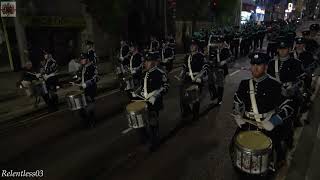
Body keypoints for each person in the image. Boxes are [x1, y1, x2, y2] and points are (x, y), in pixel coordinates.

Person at [232, 52, 295, 169]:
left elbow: (289, 105)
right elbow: (237, 100)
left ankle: (277, 162)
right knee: (232, 148)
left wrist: (274, 121)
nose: (255, 68)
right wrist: (237, 114)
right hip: (247, 123)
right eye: (253, 64)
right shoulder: (244, 84)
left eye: (259, 64)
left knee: (274, 153)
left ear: (265, 67)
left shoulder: (274, 85)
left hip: (267, 124)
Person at [132, 51, 169, 152]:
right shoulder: (145, 73)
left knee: (153, 123)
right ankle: (145, 138)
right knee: (140, 121)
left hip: (154, 102)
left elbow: (165, 87)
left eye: (147, 61)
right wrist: (136, 92)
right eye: (145, 61)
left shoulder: (159, 73)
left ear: (153, 62)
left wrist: (155, 96)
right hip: (144, 101)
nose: (145, 63)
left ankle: (155, 141)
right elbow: (143, 87)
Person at [268, 40, 304, 128]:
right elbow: (268, 77)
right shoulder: (272, 63)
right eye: (280, 49)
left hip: (290, 91)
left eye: (285, 49)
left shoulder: (296, 63)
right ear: (277, 50)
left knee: (297, 102)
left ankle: (294, 120)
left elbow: (301, 79)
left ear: (289, 50)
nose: (282, 51)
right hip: (275, 91)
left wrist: (292, 87)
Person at [179, 40, 208, 121]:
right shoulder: (187, 57)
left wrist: (199, 75)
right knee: (183, 96)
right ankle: (187, 112)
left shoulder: (201, 56)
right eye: (191, 45)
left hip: (197, 78)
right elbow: (184, 67)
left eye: (193, 45)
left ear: (196, 46)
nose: (191, 47)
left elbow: (205, 67)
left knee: (195, 98)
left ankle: (195, 115)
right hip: (188, 78)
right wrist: (181, 73)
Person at [72, 53, 98, 128]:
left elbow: (96, 78)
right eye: (81, 59)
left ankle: (92, 122)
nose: (81, 61)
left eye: (83, 59)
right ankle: (87, 122)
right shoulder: (83, 68)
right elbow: (80, 78)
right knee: (82, 109)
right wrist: (75, 82)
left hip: (90, 90)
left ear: (87, 59)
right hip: (83, 91)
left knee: (89, 108)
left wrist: (86, 84)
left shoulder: (92, 67)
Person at [207, 35, 231, 104]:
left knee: (220, 84)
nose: (219, 44)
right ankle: (215, 94)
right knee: (210, 82)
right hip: (213, 68)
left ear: (223, 43)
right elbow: (210, 58)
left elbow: (231, 57)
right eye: (218, 43)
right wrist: (210, 61)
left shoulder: (225, 50)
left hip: (221, 69)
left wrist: (224, 61)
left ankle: (219, 99)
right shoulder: (213, 49)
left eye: (220, 43)